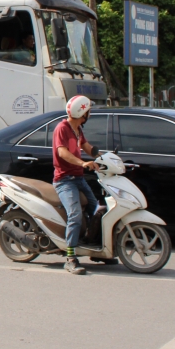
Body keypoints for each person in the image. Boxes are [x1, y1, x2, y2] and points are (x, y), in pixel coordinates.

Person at [53, 95, 100, 275]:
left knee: (97, 210)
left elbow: (86, 146)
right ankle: (70, 258)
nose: (89, 113)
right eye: (88, 110)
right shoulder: (62, 128)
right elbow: (62, 152)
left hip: (78, 178)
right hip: (64, 180)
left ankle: (96, 252)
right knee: (75, 214)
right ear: (82, 112)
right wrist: (82, 164)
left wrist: (103, 157)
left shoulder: (77, 128)